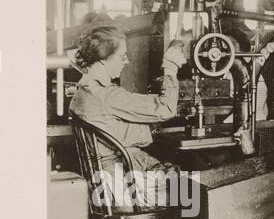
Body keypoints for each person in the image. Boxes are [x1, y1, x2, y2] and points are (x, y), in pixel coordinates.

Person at [70, 23, 187, 207]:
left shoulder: (82, 91)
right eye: (122, 56)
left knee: (183, 181)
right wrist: (171, 67)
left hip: (103, 184)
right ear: (103, 59)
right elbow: (166, 109)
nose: (126, 61)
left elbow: (115, 129)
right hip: (122, 188)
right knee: (197, 189)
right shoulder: (107, 96)